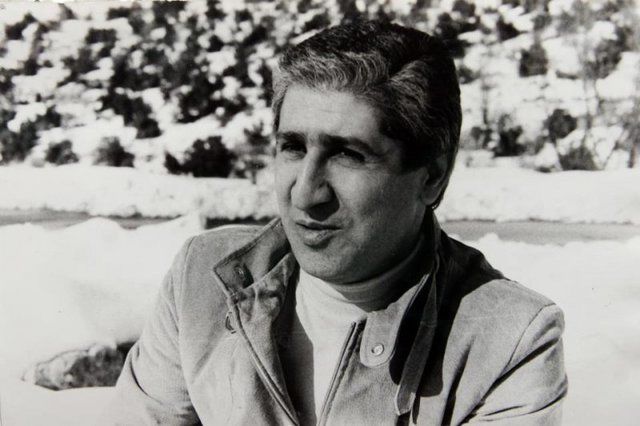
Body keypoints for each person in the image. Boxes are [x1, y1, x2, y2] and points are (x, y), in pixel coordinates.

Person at [104, 20, 567, 425]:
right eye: (293, 147)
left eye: (347, 154)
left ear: (432, 176)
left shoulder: (510, 339)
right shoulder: (203, 279)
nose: (306, 193)